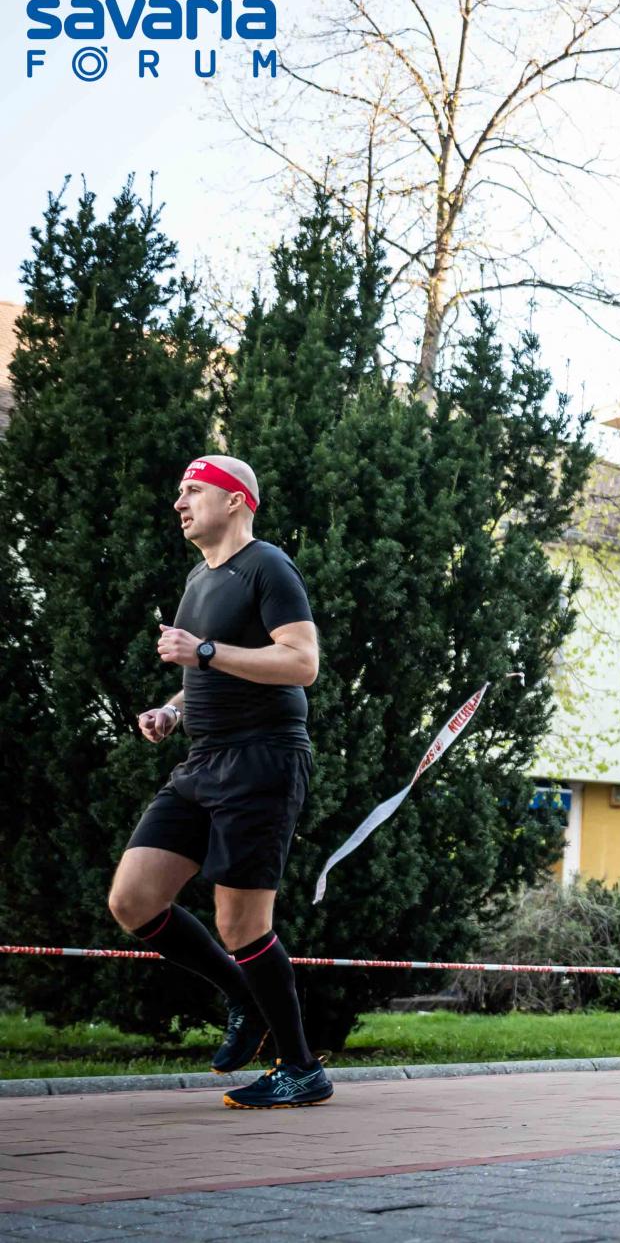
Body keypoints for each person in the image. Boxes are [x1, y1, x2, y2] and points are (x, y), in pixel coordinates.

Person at [105, 455, 333, 1109]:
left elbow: (302, 662)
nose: (179, 502)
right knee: (132, 900)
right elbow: (210, 670)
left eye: (193, 490)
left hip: (263, 760)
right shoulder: (198, 579)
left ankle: (301, 1068)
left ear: (235, 500)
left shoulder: (268, 566)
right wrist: (173, 710)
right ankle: (241, 994)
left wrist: (202, 650)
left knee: (242, 923)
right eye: (180, 492)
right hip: (202, 762)